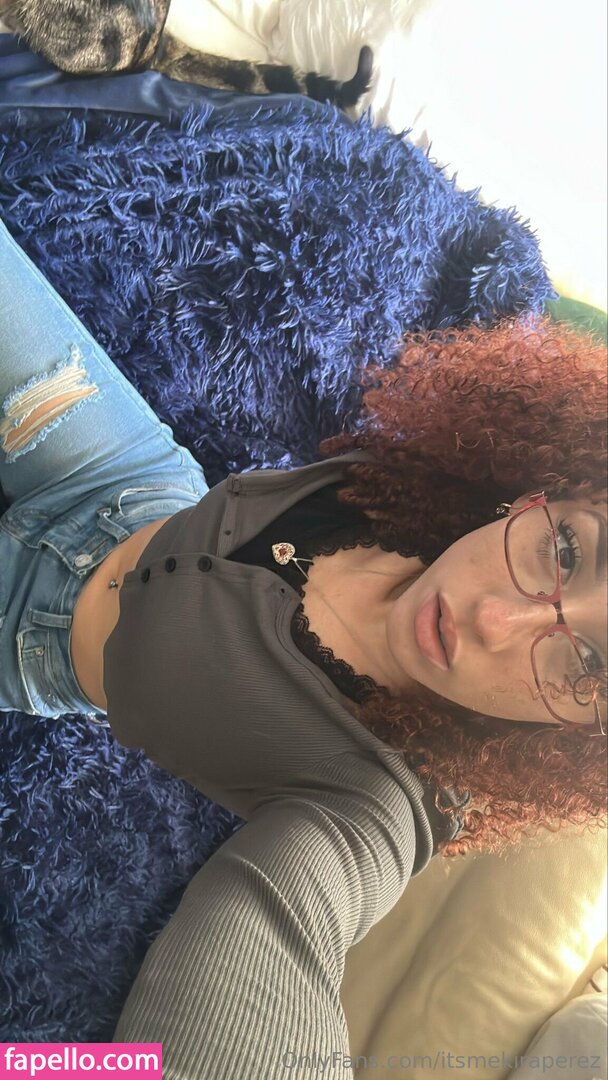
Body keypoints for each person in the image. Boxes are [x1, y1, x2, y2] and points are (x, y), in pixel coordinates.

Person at [1, 215, 606, 1076]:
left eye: (588, 665)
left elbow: (271, 950)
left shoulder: (371, 811)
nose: (497, 621)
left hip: (29, 635)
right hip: (121, 474)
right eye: (569, 551)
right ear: (548, 491)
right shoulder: (440, 498)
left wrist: (41, 1066)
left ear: (583, 739)